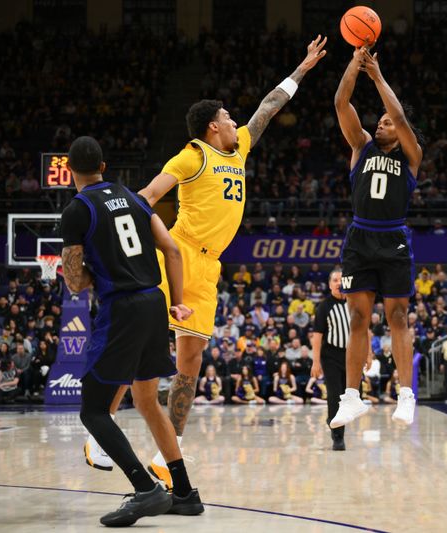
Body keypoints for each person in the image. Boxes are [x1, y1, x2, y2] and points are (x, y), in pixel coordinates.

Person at [79, 37, 327, 487]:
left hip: (209, 267)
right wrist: (125, 241)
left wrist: (304, 68)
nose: (236, 120)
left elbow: (268, 108)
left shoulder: (241, 147)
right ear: (213, 127)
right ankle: (101, 430)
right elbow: (149, 196)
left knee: (190, 361)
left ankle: (165, 449)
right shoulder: (193, 155)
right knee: (135, 346)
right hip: (178, 253)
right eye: (228, 116)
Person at [60, 136, 200, 526]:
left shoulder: (77, 209)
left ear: (72, 171)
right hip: (155, 302)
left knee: (93, 410)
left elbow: (75, 282)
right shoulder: (135, 197)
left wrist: (92, 269)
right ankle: (185, 493)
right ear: (103, 167)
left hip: (121, 309)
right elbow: (171, 249)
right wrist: (178, 300)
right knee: (146, 400)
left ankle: (145, 488)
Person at [330, 45, 423, 428]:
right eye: (380, 121)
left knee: (398, 316)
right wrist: (354, 64)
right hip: (360, 238)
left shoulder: (411, 155)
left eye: (387, 123)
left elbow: (400, 114)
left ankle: (405, 394)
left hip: (393, 239)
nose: (383, 123)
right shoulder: (361, 146)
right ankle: (351, 397)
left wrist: (377, 76)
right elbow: (340, 101)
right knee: (357, 317)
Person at [311, 270, 368, 450]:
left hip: (353, 357)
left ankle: (332, 419)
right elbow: (317, 336)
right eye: (335, 280)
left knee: (353, 395)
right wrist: (315, 361)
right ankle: (338, 436)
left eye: (341, 280)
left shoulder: (355, 304)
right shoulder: (323, 307)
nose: (338, 283)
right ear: (329, 285)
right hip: (331, 358)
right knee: (335, 396)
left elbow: (364, 330)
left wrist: (369, 353)